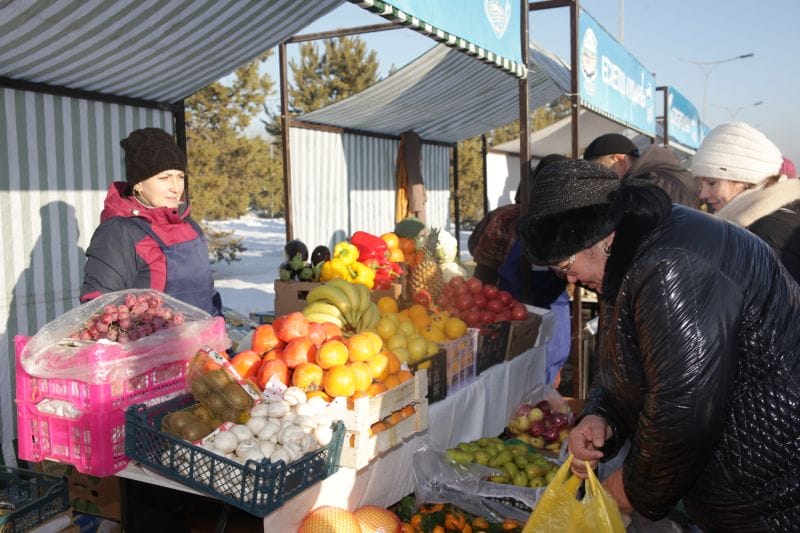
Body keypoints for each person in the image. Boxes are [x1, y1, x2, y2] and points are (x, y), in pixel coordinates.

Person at [516, 158, 800, 531]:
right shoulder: (634, 252)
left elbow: (683, 407)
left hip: (770, 492)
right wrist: (601, 416)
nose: (568, 278)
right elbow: (630, 360)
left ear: (602, 237)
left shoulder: (669, 267)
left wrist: (629, 490)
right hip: (739, 476)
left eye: (565, 264)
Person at [81, 128, 222, 316]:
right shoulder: (120, 232)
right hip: (153, 335)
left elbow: (208, 294)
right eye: (164, 178)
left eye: (180, 177)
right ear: (138, 184)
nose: (175, 188)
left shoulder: (190, 226)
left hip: (205, 334)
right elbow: (98, 309)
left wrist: (219, 324)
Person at [469, 155, 570, 384]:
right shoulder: (507, 219)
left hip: (554, 311)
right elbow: (484, 269)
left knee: (548, 376)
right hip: (508, 310)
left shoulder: (569, 222)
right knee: (510, 378)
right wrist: (481, 310)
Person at [692, 122, 800, 282]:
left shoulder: (768, 234)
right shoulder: (759, 220)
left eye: (712, 183)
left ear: (743, 179)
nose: (703, 194)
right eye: (701, 184)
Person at [583, 132, 701, 208]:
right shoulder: (667, 176)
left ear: (619, 161)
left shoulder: (645, 186)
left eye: (600, 172)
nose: (599, 181)